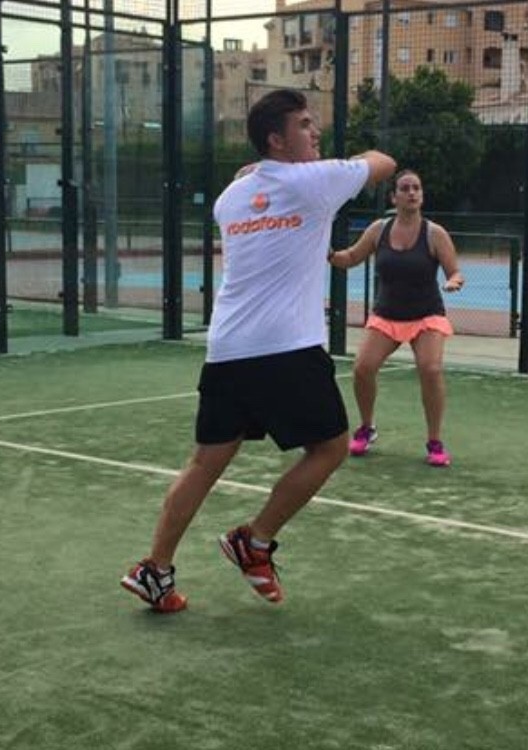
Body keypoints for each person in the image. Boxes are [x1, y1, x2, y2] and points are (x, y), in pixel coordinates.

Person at [121, 89, 396, 613]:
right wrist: (331, 165)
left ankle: (155, 569)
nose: (315, 132)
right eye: (305, 124)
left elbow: (261, 191)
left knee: (204, 463)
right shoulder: (314, 182)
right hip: (285, 347)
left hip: (227, 348)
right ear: (277, 139)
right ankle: (255, 540)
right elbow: (384, 162)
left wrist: (257, 173)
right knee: (331, 448)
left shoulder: (231, 197)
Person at [327, 169, 464, 467]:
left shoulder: (435, 233)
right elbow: (351, 257)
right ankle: (367, 428)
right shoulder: (379, 230)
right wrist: (327, 254)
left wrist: (454, 281)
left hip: (426, 316)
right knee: (363, 368)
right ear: (394, 197)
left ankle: (435, 441)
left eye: (416, 188)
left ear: (422, 195)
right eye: (405, 188)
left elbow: (454, 271)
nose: (411, 193)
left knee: (430, 369)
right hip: (387, 315)